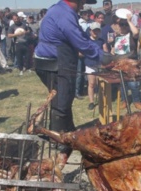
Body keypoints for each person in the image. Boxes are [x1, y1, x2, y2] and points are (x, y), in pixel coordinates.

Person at [34, 0, 102, 160]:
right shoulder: (64, 13)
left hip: (55, 61)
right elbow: (79, 41)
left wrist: (97, 50)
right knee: (62, 101)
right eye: (83, 2)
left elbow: (81, 36)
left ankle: (66, 132)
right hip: (54, 63)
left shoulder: (63, 10)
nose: (84, 5)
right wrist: (102, 57)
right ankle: (60, 142)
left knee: (63, 98)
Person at [111, 13, 141, 110]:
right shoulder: (116, 37)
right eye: (122, 24)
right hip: (120, 63)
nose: (124, 26)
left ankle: (136, 101)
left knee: (133, 84)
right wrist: (112, 51)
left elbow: (136, 33)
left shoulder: (131, 36)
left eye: (125, 25)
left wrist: (129, 21)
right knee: (122, 84)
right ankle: (124, 100)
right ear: (119, 26)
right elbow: (113, 49)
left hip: (131, 62)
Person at [85, 22, 107, 110]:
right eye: (94, 31)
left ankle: (102, 99)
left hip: (100, 64)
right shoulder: (87, 41)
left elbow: (105, 51)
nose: (96, 32)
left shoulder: (102, 41)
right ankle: (91, 102)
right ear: (90, 31)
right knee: (91, 83)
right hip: (90, 64)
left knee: (100, 84)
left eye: (97, 31)